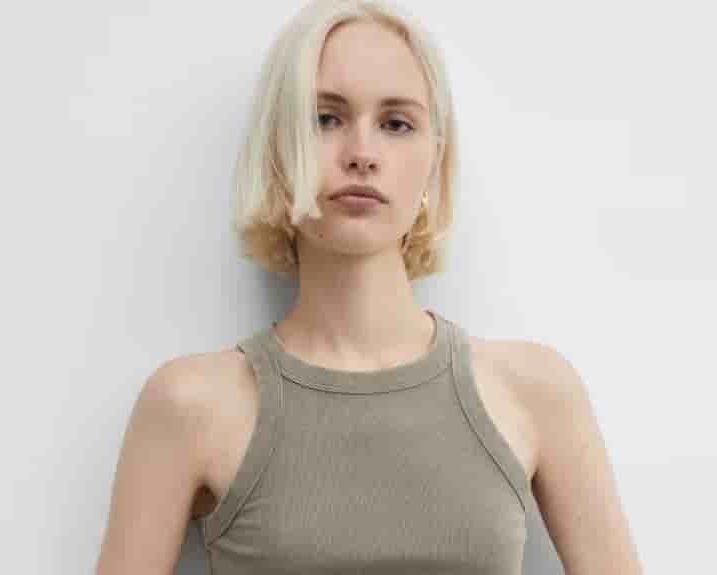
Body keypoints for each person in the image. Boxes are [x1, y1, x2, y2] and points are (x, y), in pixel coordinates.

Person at [96, 1, 644, 574]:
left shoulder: (535, 392)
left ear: (435, 159)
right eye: (325, 119)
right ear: (279, 150)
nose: (361, 154)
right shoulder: (190, 404)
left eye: (396, 124)